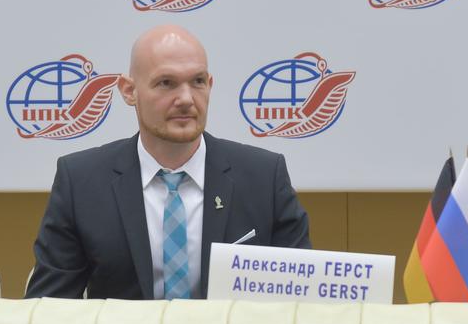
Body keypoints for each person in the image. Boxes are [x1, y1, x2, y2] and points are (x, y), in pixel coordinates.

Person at [25, 24, 312, 299]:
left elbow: (300, 306)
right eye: (166, 83)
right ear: (129, 91)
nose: (186, 98)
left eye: (198, 82)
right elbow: (48, 309)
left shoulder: (264, 178)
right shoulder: (81, 182)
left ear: (210, 85)